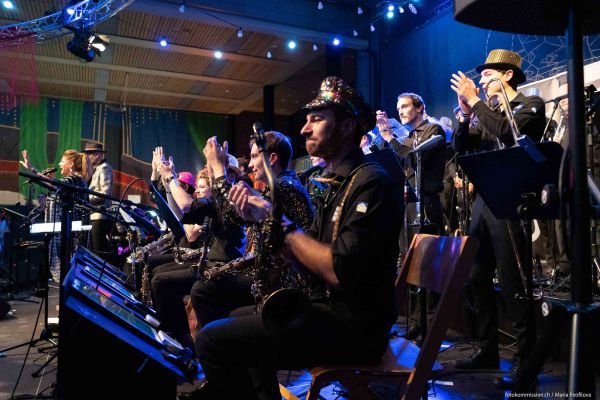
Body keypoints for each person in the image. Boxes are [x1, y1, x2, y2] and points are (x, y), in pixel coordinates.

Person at [190, 76, 403, 399]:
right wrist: (270, 230)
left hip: (355, 330)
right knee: (233, 320)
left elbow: (337, 270)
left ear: (347, 126)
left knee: (212, 340)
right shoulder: (338, 183)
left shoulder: (371, 183)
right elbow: (309, 255)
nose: (304, 129)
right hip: (330, 312)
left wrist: (275, 219)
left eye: (316, 119)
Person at [450, 49, 545, 388]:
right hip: (483, 201)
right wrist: (465, 117)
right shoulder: (484, 112)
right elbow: (462, 150)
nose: (482, 80)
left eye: (488, 74)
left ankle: (524, 361)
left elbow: (507, 132)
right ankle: (487, 348)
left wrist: (475, 103)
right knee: (476, 276)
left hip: (511, 201)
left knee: (512, 279)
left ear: (508, 75)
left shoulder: (530, 105)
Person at [375, 93, 446, 341]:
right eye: (398, 108)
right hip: (409, 203)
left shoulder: (433, 130)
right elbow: (397, 160)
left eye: (405, 106)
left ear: (420, 107)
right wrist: (385, 139)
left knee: (427, 265)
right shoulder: (409, 136)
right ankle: (416, 322)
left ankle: (431, 325)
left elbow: (414, 156)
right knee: (411, 265)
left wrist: (390, 138)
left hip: (427, 202)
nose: (401, 111)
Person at [20, 149, 90, 283]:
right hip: (67, 232)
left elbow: (55, 185)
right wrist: (50, 180)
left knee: (69, 269)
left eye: (62, 161)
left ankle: (67, 294)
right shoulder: (73, 180)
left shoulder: (75, 179)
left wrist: (32, 169)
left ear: (70, 164)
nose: (59, 164)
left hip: (71, 234)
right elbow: (57, 186)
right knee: (65, 270)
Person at [82, 142, 114, 261]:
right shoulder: (96, 169)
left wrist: (86, 200)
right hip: (93, 215)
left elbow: (105, 193)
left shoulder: (105, 168)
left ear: (97, 155)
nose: (87, 157)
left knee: (98, 250)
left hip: (100, 216)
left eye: (89, 154)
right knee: (93, 249)